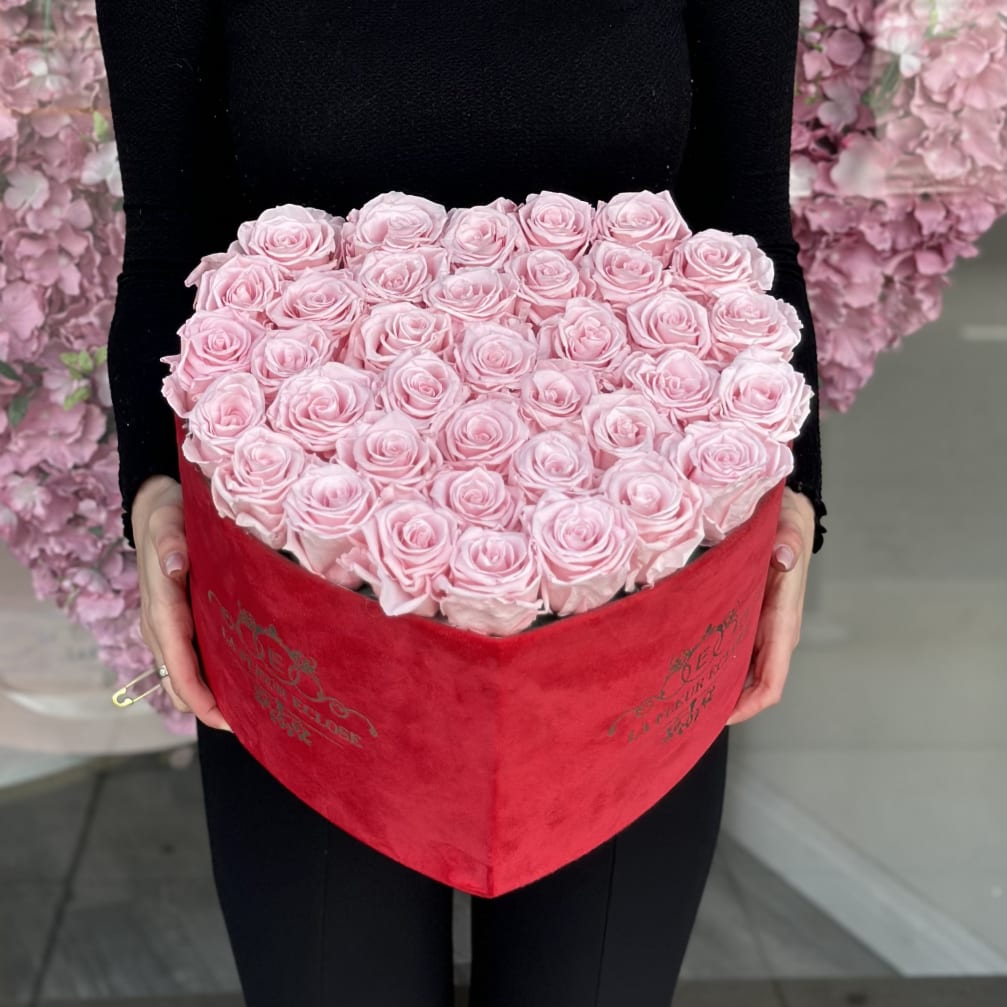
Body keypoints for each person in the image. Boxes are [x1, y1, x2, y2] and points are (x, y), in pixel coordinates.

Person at [95, 2, 827, 1004]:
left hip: (629, 599)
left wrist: (793, 512)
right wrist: (153, 496)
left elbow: (742, 210)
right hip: (307, 595)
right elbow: (169, 233)